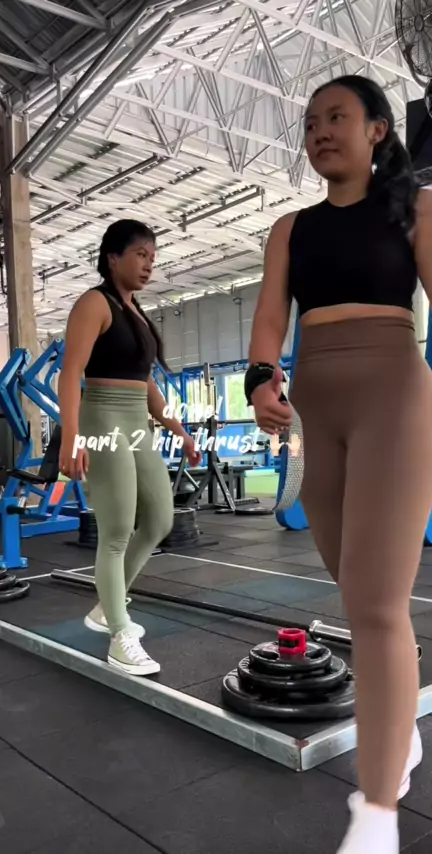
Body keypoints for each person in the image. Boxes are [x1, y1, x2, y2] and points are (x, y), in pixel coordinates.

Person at [246, 75, 432, 854]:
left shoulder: (416, 208)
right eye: (311, 122)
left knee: (379, 604)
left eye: (337, 117)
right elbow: (269, 319)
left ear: (378, 130)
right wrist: (262, 378)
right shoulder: (290, 229)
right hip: (315, 407)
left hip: (394, 394)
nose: (321, 131)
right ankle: (400, 721)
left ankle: (378, 809)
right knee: (356, 591)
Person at [58, 219, 202, 677]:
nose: (148, 265)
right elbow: (70, 372)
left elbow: (147, 385)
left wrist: (180, 431)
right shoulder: (94, 303)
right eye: (141, 254)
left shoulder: (136, 312)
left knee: (159, 519)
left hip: (136, 421)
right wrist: (71, 436)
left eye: (152, 257)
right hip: (102, 418)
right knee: (118, 529)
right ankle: (120, 635)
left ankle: (108, 607)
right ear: (113, 257)